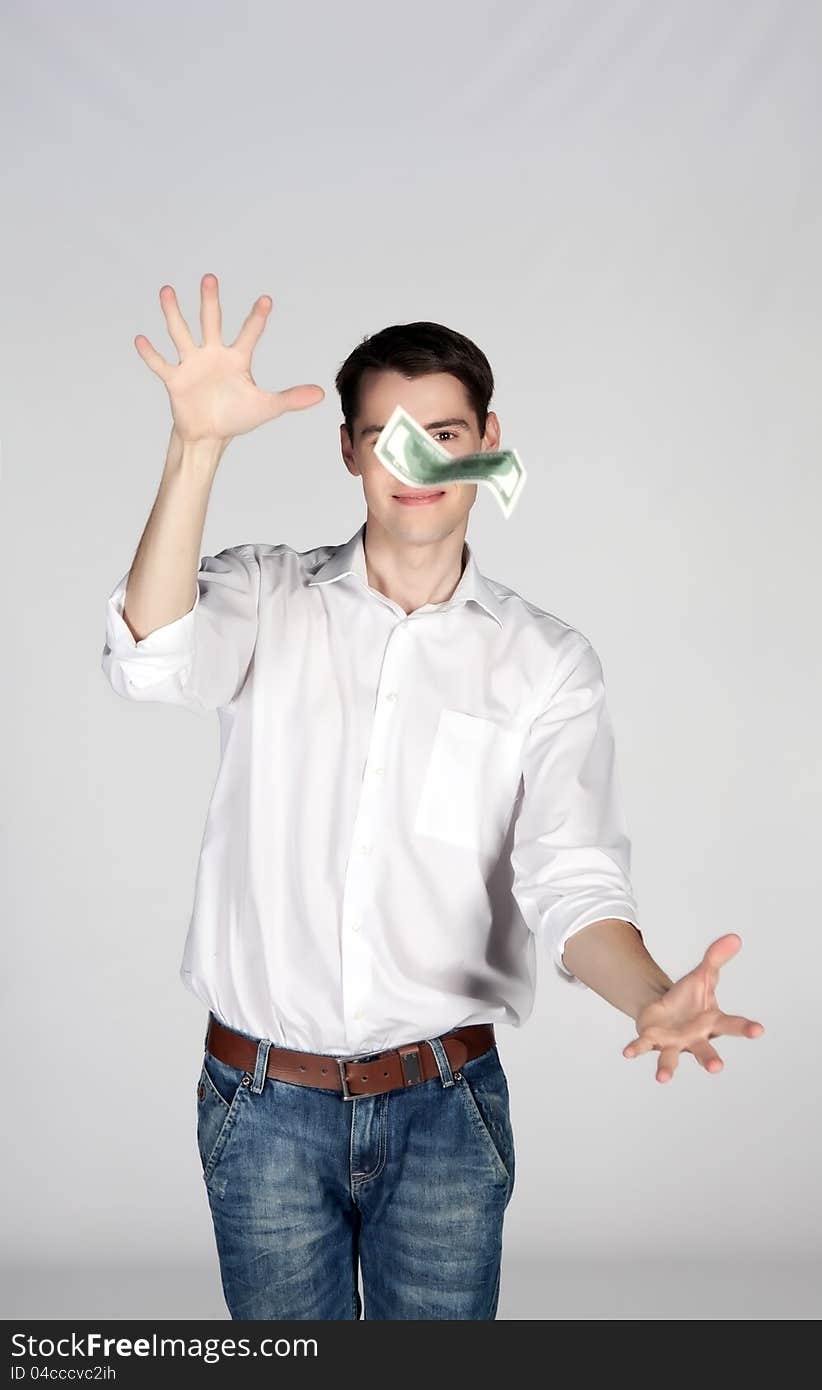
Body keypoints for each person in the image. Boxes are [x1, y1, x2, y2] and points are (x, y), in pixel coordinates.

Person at [101, 273, 764, 1321]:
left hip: (445, 1107)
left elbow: (572, 882)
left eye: (445, 433)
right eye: (388, 437)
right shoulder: (267, 598)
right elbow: (148, 659)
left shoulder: (545, 664)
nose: (418, 466)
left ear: (488, 437)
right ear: (352, 451)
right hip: (262, 1103)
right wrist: (197, 449)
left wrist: (648, 995)